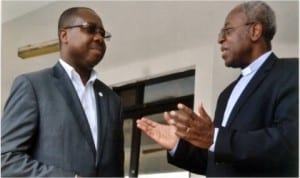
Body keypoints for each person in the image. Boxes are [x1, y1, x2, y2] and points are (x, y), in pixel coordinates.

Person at [137, 1, 298, 177]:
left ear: (255, 31)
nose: (220, 39)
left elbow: (289, 142)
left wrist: (215, 138)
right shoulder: (226, 94)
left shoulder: (292, 72)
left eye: (227, 31)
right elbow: (216, 161)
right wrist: (177, 145)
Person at [1, 7, 124, 177]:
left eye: (103, 33)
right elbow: (6, 160)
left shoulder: (112, 100)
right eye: (89, 29)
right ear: (64, 35)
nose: (98, 38)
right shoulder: (33, 86)